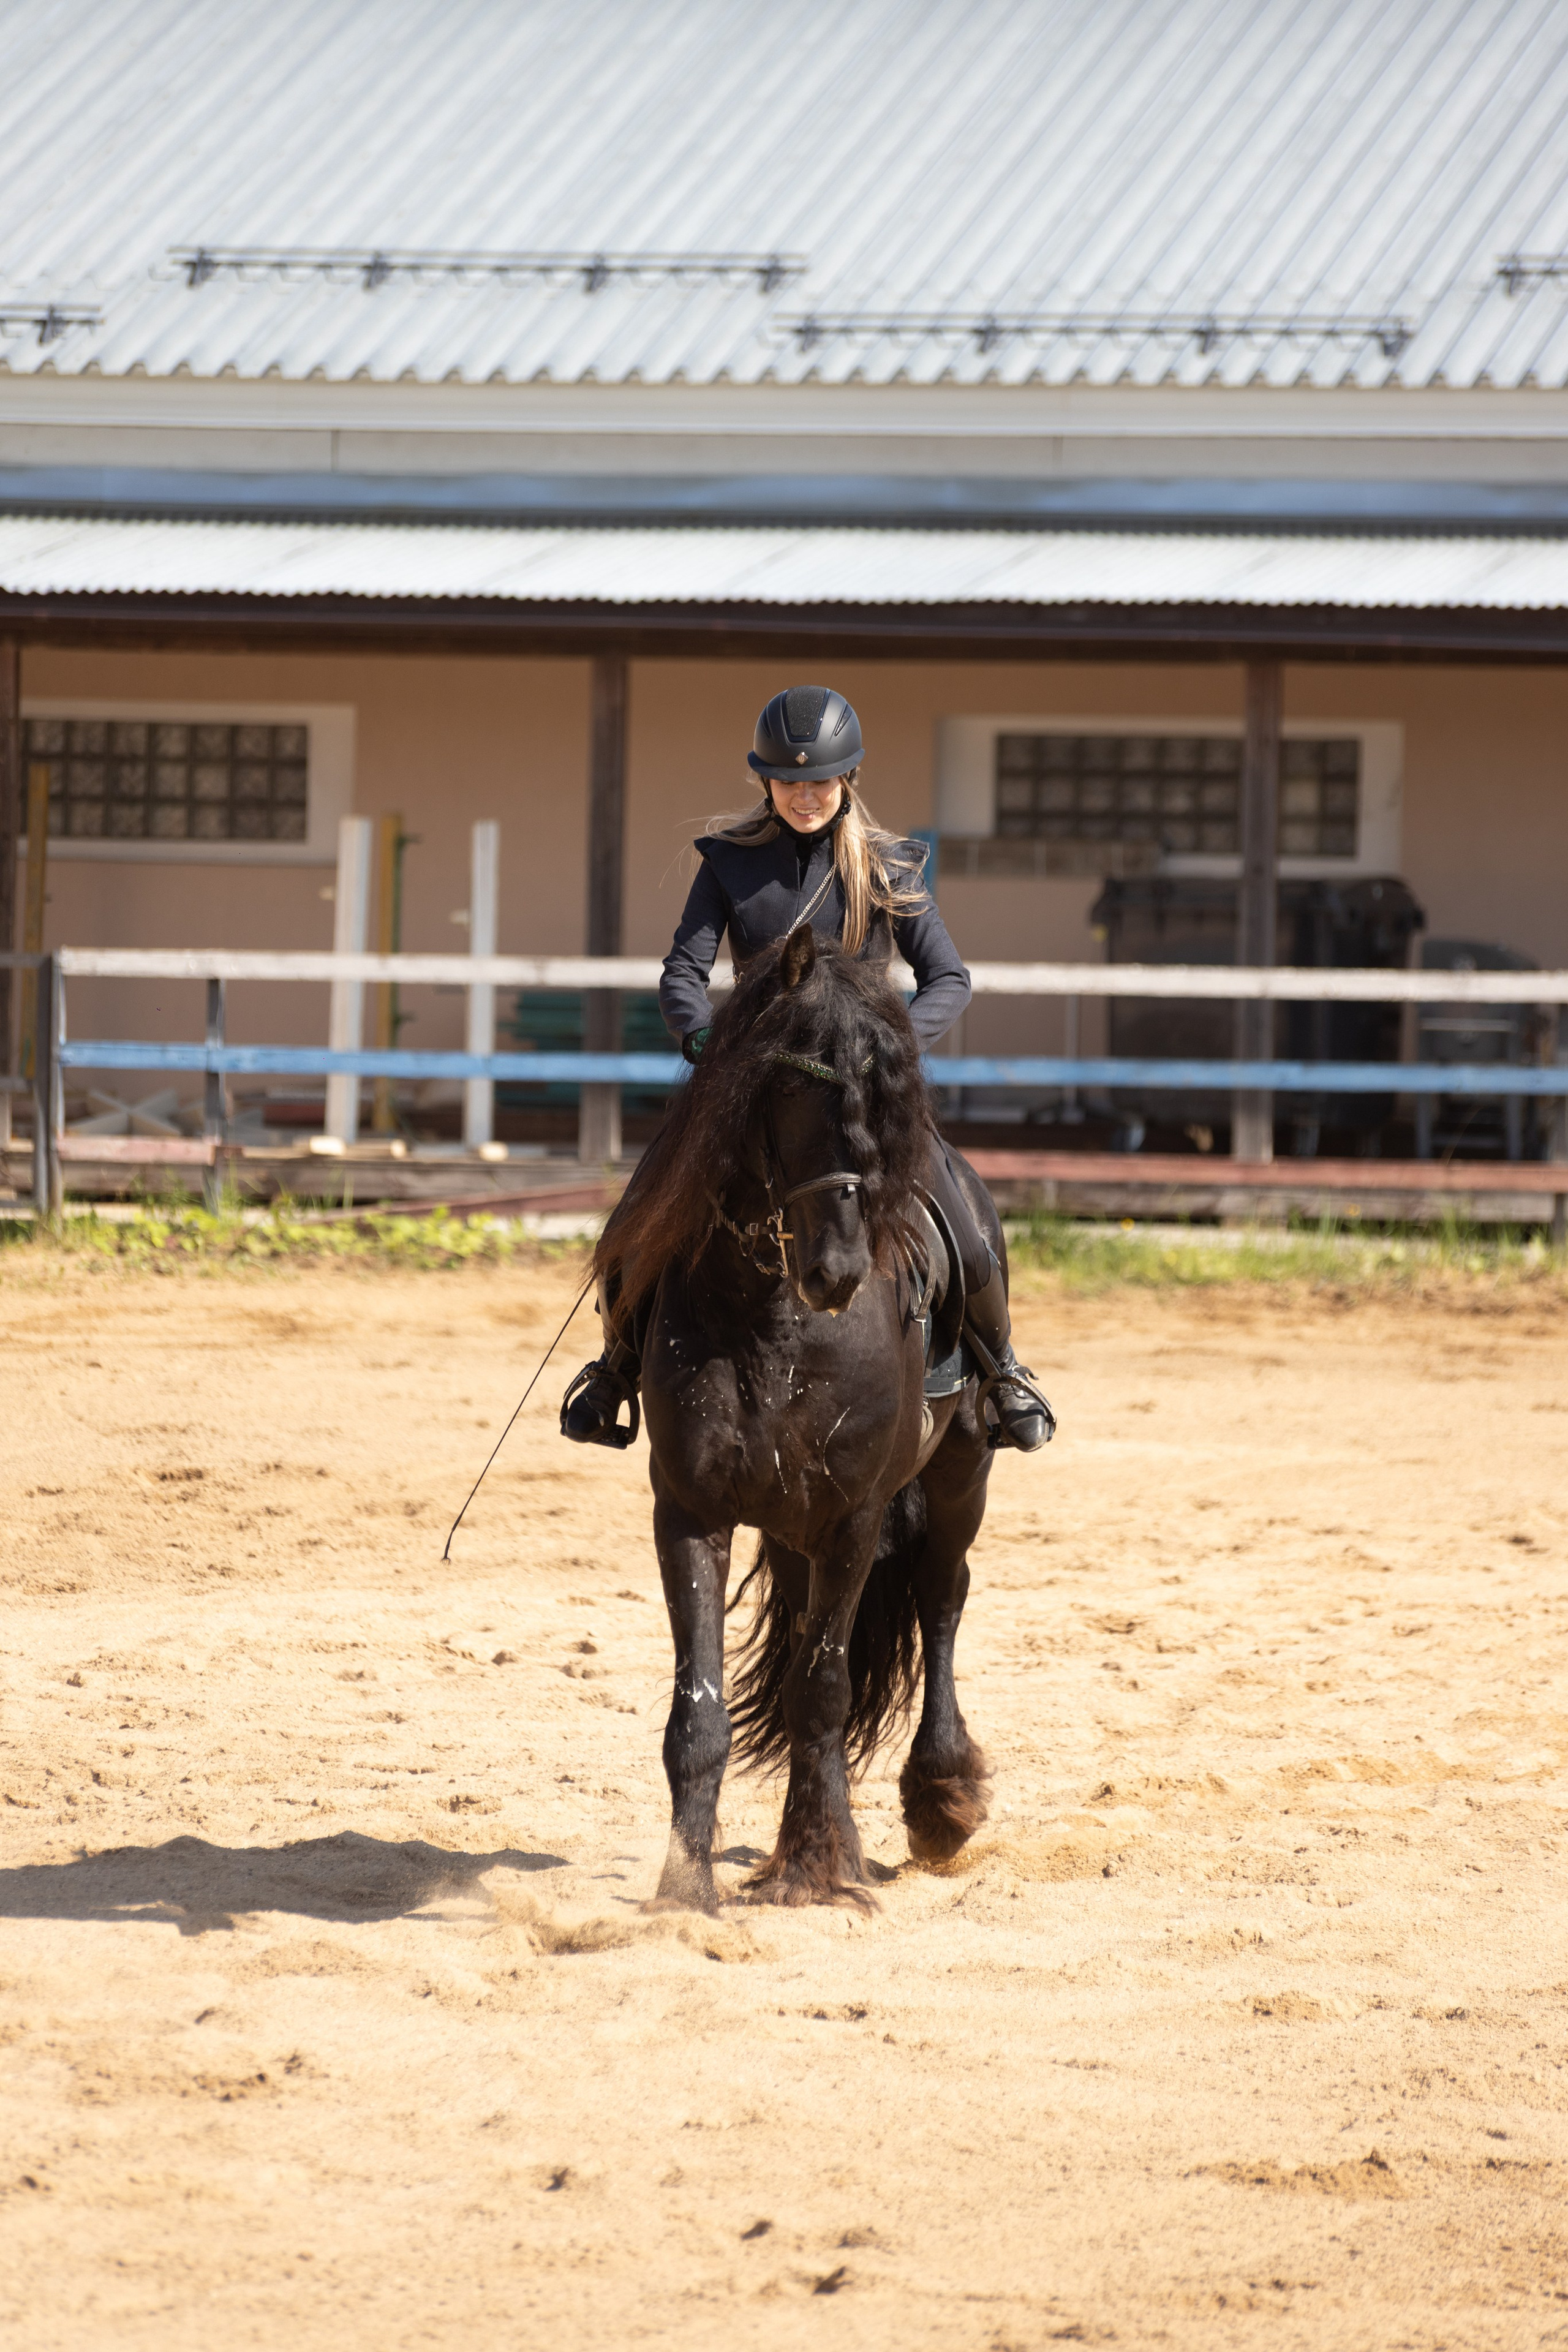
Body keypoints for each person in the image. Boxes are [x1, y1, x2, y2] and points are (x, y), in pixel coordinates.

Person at [560, 684, 1053, 1452]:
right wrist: (701, 1041)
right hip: (753, 1089)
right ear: (766, 780)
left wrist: (888, 1049)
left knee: (962, 1219)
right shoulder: (727, 863)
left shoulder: (889, 867)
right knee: (644, 1209)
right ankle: (615, 1366)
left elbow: (949, 978)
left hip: (862, 1093)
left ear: (846, 778)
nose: (804, 795)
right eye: (789, 781)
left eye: (820, 780)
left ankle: (1003, 1369)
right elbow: (682, 973)